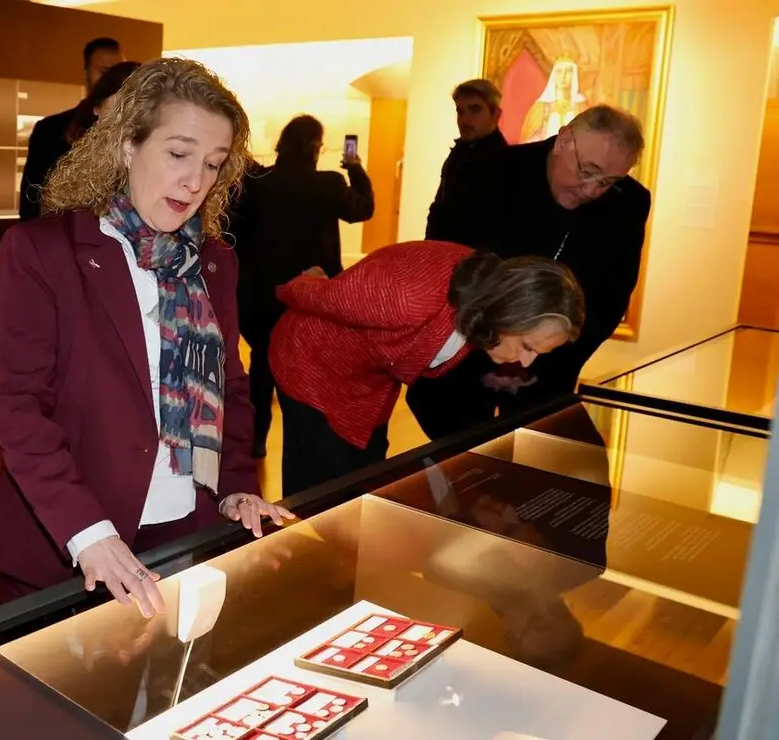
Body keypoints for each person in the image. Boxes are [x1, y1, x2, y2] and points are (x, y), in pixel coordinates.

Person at [0, 58, 294, 617]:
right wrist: (88, 532)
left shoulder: (213, 262)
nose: (196, 181)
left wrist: (237, 482)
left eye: (214, 164)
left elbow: (229, 385)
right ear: (126, 146)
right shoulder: (42, 252)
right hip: (69, 546)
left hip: (185, 533)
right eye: (178, 153)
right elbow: (20, 407)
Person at [268, 241, 585, 496]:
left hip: (368, 383)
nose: (526, 362)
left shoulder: (482, 303)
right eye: (528, 347)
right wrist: (300, 281)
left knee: (362, 482)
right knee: (319, 490)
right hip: (310, 364)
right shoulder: (408, 297)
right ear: (510, 312)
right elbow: (321, 297)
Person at [412, 104, 651, 441]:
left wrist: (545, 353)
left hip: (551, 368)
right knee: (461, 473)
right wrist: (490, 344)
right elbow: (444, 266)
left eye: (608, 182)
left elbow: (610, 296)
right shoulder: (485, 173)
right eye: (587, 171)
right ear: (565, 140)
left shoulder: (629, 203)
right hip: (466, 358)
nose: (591, 190)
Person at [234, 114, 375, 457]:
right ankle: (305, 446)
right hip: (309, 295)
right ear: (315, 148)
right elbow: (363, 210)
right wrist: (355, 168)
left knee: (262, 364)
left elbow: (234, 233)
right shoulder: (327, 184)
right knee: (309, 369)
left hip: (258, 294)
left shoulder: (257, 183)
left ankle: (256, 439)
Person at [18, 37, 126, 220]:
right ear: (87, 72)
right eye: (105, 71)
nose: (113, 81)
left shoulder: (140, 135)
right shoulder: (50, 130)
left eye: (119, 73)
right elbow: (31, 204)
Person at [427, 78, 507, 224]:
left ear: (495, 114)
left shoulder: (504, 161)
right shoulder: (457, 154)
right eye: (460, 111)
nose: (464, 120)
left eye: (475, 110)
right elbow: (439, 209)